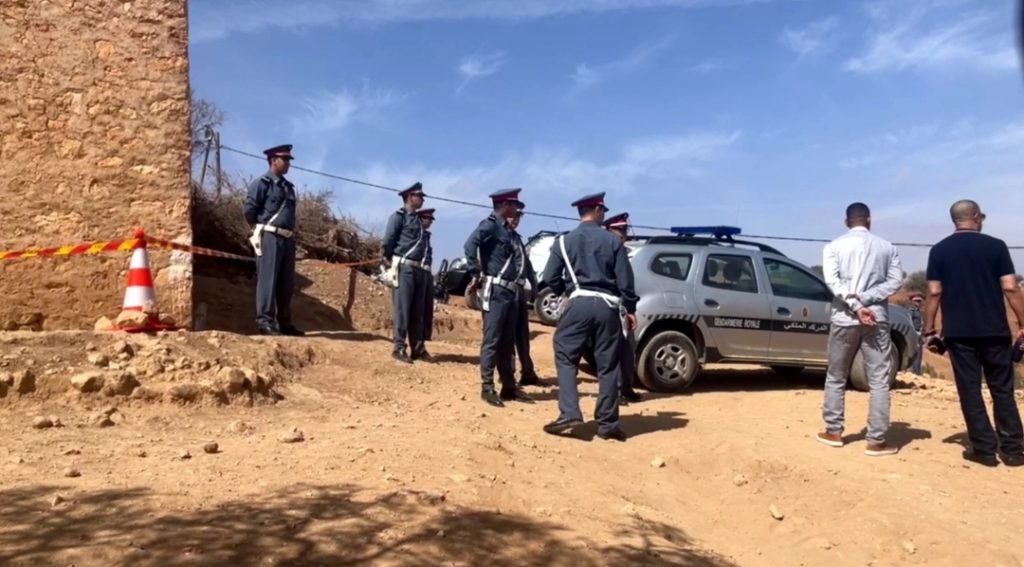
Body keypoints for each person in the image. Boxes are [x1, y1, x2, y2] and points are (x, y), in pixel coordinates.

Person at [923, 200, 1024, 467]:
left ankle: (984, 449)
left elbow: (934, 291)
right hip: (995, 331)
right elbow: (1011, 287)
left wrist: (929, 328)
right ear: (976, 217)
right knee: (1002, 389)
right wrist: (1023, 323)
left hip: (958, 333)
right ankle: (1013, 451)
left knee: (969, 390)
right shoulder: (996, 246)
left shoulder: (939, 250)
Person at [542, 192, 637, 442]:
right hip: (608, 307)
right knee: (608, 365)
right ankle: (608, 424)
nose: (603, 214)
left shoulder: (564, 241)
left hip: (578, 303)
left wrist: (565, 292)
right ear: (596, 211)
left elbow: (550, 275)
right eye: (603, 210)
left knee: (566, 355)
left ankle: (570, 413)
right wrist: (631, 309)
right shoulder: (613, 241)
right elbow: (626, 281)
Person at [817, 203, 904, 457]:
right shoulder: (887, 247)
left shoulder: (833, 247)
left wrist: (856, 304)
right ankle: (876, 441)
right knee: (879, 381)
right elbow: (895, 281)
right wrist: (867, 299)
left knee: (836, 375)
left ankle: (834, 432)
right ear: (869, 220)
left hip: (844, 319)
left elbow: (832, 282)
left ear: (847, 222)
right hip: (876, 319)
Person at [464, 188, 535, 407]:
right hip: (496, 291)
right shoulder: (491, 225)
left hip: (511, 292)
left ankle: (509, 386)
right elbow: (470, 244)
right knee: (492, 339)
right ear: (504, 205)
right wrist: (475, 271)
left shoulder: (508, 231)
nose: (516, 209)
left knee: (507, 341)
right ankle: (487, 386)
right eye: (514, 204)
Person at [243, 144, 304, 337]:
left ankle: (284, 322)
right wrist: (259, 229)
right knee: (268, 280)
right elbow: (249, 211)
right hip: (269, 235)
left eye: (288, 160)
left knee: (286, 284)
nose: (288, 163)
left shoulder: (288, 188)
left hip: (287, 238)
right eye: (284, 159)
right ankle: (265, 322)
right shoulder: (262, 183)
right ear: (273, 160)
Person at [383, 183, 429, 364]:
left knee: (417, 311)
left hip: (418, 269)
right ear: (410, 197)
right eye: (419, 196)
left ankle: (418, 348)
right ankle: (399, 347)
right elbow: (388, 241)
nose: (422, 199)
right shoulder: (398, 217)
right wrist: (392, 259)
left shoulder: (417, 220)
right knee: (402, 309)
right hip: (404, 268)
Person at [604, 212, 643, 404]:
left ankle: (626, 387)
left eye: (625, 229)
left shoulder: (625, 251)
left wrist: (630, 307)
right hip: (609, 306)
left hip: (623, 307)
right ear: (609, 230)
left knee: (627, 350)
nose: (623, 233)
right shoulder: (606, 251)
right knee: (613, 352)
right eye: (619, 229)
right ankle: (615, 391)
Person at [509, 203, 542, 387]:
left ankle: (527, 372)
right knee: (507, 335)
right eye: (513, 215)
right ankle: (508, 375)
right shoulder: (500, 236)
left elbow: (526, 265)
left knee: (522, 334)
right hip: (505, 291)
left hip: (519, 290)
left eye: (518, 216)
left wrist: (534, 285)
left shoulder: (517, 239)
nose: (516, 219)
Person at [414, 208, 436, 361]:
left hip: (427, 274)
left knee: (427, 310)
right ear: (421, 219)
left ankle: (422, 342)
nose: (430, 222)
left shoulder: (426, 236)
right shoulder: (416, 234)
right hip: (419, 272)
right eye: (428, 219)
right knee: (418, 312)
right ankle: (417, 346)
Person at [907, 293, 925, 375]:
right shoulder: (912, 310)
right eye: (916, 301)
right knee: (917, 352)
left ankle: (917, 371)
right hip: (915, 333)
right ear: (912, 301)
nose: (918, 302)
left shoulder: (917, 310)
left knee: (918, 352)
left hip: (918, 333)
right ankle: (916, 371)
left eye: (919, 301)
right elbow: (910, 322)